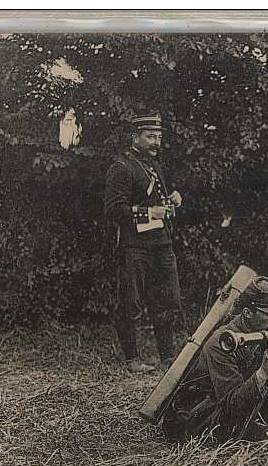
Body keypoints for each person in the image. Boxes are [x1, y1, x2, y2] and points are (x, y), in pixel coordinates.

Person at [163, 277, 268, 443]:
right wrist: (263, 373)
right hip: (201, 413)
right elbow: (231, 406)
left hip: (237, 403)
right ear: (248, 313)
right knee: (265, 439)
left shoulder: (263, 330)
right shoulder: (221, 344)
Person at [104, 112, 184, 373]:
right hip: (134, 246)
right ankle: (132, 359)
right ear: (135, 137)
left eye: (159, 137)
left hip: (161, 243)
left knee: (168, 300)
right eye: (150, 136)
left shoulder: (154, 167)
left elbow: (157, 203)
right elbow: (114, 211)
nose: (156, 142)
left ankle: (168, 357)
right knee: (131, 303)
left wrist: (172, 199)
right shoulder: (122, 167)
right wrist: (151, 213)